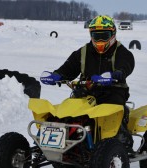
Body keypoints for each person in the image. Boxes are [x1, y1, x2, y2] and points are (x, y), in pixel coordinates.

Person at [40, 15, 135, 149]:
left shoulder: (121, 52)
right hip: (86, 91)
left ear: (113, 33)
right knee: (67, 112)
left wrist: (116, 74)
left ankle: (121, 143)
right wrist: (57, 75)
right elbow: (69, 67)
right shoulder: (84, 52)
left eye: (104, 35)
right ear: (91, 35)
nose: (100, 40)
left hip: (113, 91)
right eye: (96, 36)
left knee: (113, 113)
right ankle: (64, 138)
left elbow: (126, 64)